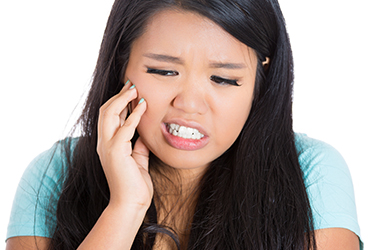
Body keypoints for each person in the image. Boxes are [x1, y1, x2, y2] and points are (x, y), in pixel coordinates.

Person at [6, 0, 363, 249]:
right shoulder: (56, 172)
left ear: (261, 80)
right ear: (122, 64)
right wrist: (124, 209)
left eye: (223, 79)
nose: (190, 104)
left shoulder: (311, 172)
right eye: (163, 72)